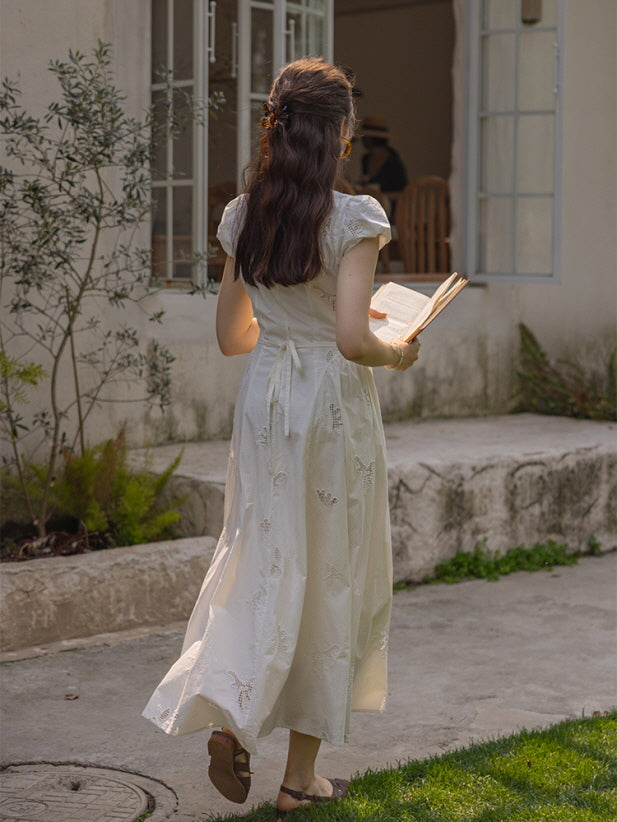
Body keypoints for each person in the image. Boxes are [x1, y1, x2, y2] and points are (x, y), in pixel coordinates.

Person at [142, 58, 420, 818]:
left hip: (266, 403)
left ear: (275, 129)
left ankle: (233, 714)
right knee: (330, 574)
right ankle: (300, 780)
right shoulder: (355, 218)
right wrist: (400, 347)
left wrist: (287, 323)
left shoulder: (241, 216)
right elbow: (354, 341)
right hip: (329, 410)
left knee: (264, 560)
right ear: (336, 134)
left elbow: (233, 336)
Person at [358, 116, 408, 209]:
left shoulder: (393, 161)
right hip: (370, 208)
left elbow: (403, 193)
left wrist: (381, 196)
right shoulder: (366, 159)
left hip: (390, 210)